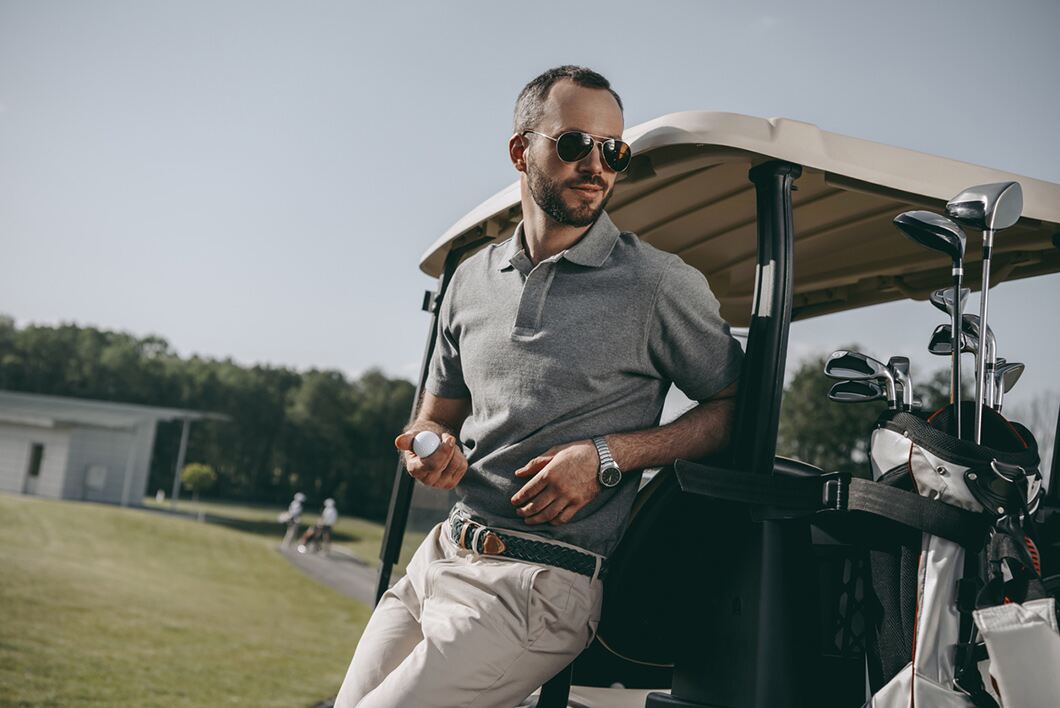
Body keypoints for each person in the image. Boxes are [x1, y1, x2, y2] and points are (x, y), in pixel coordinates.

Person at [335, 65, 742, 707]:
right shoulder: (470, 279)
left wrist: (609, 456)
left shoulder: (658, 284)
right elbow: (431, 417)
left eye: (615, 152)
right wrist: (429, 448)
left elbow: (737, 408)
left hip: (543, 586)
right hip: (441, 555)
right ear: (522, 150)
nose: (597, 165)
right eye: (576, 144)